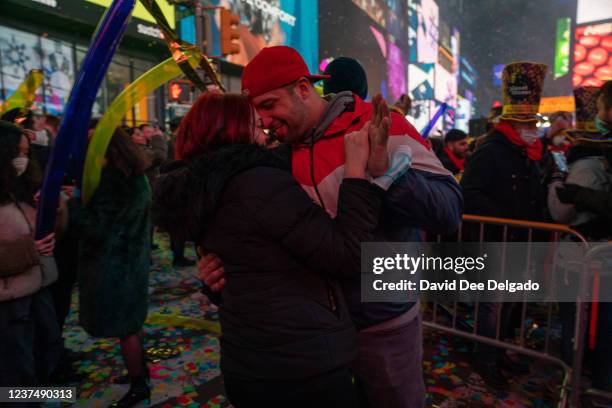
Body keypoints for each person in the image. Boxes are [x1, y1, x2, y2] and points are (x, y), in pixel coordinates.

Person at [202, 45, 462, 408]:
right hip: (316, 335)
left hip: (382, 320)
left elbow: (448, 212)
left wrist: (388, 173)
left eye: (269, 105)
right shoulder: (276, 157)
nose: (262, 120)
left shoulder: (380, 126)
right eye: (256, 111)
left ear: (304, 89)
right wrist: (217, 276)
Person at [153, 93, 387, 407]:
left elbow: (244, 268)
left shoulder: (200, 189)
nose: (264, 129)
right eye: (254, 122)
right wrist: (357, 174)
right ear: (233, 131)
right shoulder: (257, 184)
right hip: (301, 364)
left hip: (247, 361)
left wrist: (215, 284)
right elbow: (347, 254)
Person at [461, 62, 548, 387]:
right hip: (496, 242)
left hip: (521, 245)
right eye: (524, 122)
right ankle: (485, 359)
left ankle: (499, 353)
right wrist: (506, 218)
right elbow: (469, 193)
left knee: (510, 305)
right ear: (508, 121)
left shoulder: (531, 153)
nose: (531, 128)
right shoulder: (491, 151)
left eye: (532, 122)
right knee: (492, 307)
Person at [67, 128, 151, 407]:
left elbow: (94, 228)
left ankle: (139, 385)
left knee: (125, 328)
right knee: (133, 322)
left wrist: (74, 207)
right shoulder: (135, 175)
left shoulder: (112, 180)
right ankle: (141, 373)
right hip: (133, 262)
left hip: (112, 267)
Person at [548, 82, 612, 392]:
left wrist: (564, 185)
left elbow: (562, 214)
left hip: (585, 259)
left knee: (583, 321)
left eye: (600, 108)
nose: (599, 115)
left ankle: (580, 381)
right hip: (594, 255)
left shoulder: (586, 166)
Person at [0, 120, 62, 387]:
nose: (22, 160)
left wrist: (53, 209)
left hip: (37, 284)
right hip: (9, 298)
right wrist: (31, 250)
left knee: (49, 348)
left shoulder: (19, 186)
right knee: (17, 372)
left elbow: (45, 230)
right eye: (17, 153)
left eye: (26, 153)